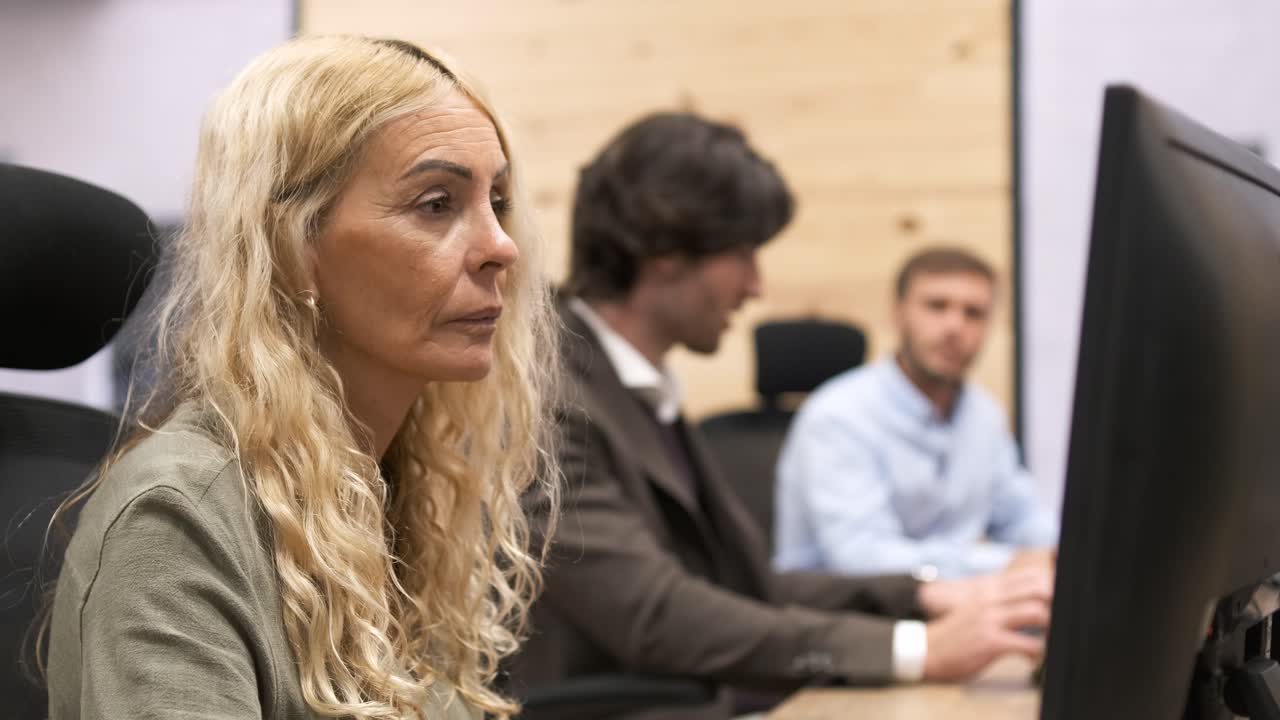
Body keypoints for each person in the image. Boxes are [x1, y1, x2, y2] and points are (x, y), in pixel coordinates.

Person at [41, 35, 558, 720]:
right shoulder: (176, 520)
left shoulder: (394, 488)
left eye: (498, 201)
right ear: (291, 249)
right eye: (436, 203)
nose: (501, 246)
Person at [508, 113, 1053, 718]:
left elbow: (743, 588)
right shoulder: (550, 398)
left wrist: (928, 596)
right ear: (665, 252)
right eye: (743, 254)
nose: (757, 285)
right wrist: (914, 649)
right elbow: (657, 617)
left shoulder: (628, 385)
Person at [773, 247, 1058, 579]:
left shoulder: (984, 415)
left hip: (952, 603)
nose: (955, 326)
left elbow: (1021, 518)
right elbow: (862, 559)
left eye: (974, 313)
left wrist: (1063, 552)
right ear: (898, 314)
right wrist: (1005, 564)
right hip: (844, 613)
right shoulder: (838, 415)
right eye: (937, 307)